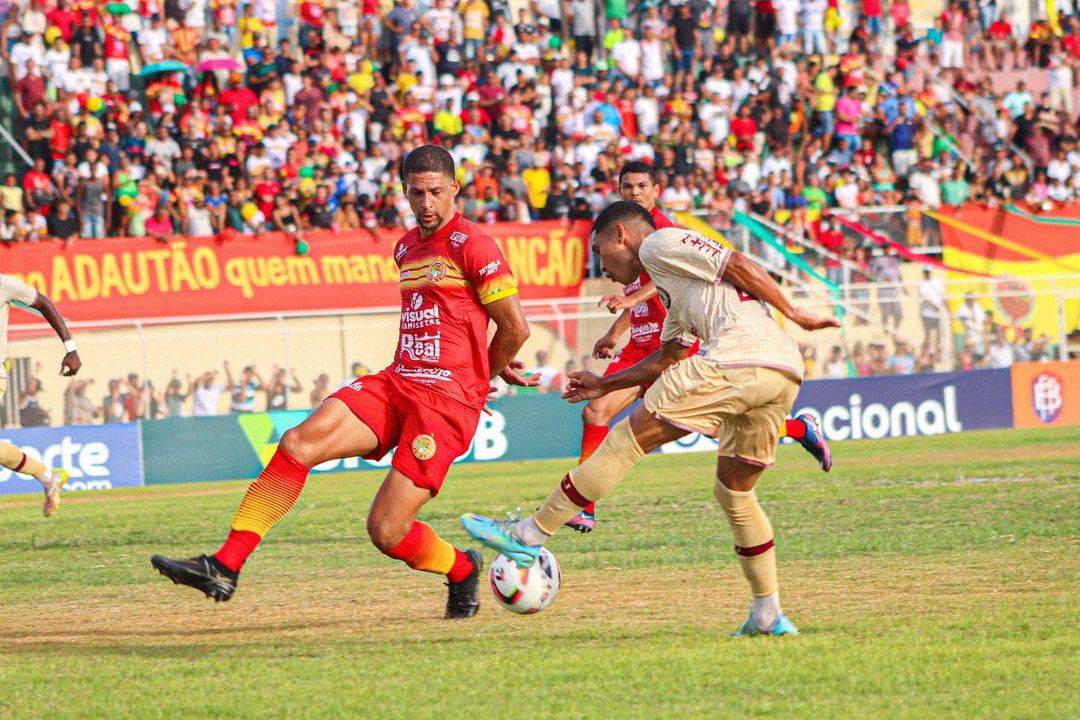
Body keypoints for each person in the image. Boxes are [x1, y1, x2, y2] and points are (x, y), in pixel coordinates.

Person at [150, 145, 536, 619]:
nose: (427, 203)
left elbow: (515, 328)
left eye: (436, 192)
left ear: (455, 188)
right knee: (297, 442)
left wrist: (478, 379)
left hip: (445, 402)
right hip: (399, 381)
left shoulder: (474, 244)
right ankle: (224, 566)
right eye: (417, 193)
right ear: (404, 193)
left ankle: (461, 569)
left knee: (387, 531)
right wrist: (483, 357)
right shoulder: (405, 248)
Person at [462, 201, 839, 636]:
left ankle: (529, 534)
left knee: (625, 442)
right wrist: (605, 384)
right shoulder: (673, 286)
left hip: (736, 357)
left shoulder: (659, 242)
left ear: (621, 235)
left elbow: (736, 261)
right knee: (735, 495)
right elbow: (671, 355)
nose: (602, 266)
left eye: (600, 251)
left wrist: (797, 313)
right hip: (781, 373)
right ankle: (767, 616)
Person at [567, 162, 832, 534]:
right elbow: (639, 291)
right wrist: (617, 331)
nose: (634, 193)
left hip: (673, 340)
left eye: (642, 185)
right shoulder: (621, 239)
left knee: (711, 428)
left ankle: (798, 429)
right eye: (627, 187)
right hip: (642, 342)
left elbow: (675, 281)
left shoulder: (661, 234)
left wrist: (790, 309)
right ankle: (583, 507)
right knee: (595, 411)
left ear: (656, 189)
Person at [0, 273, 81, 515]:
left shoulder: (4, 284)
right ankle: (48, 477)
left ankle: (47, 477)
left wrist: (71, 348)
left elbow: (43, 303)